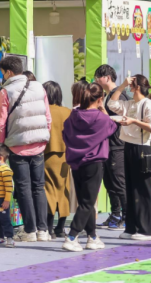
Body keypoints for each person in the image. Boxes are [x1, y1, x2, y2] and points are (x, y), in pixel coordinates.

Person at [0, 56, 51, 242]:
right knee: (39, 187)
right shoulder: (39, 87)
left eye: (3, 73)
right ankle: (43, 230)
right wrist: (44, 136)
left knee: (24, 188)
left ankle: (30, 230)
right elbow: (47, 116)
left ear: (9, 72)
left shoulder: (6, 91)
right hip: (39, 144)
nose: (2, 76)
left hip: (17, 146)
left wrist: (2, 144)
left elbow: (0, 123)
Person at [62, 83, 117, 252]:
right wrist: (103, 110)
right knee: (88, 202)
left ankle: (92, 236)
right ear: (100, 99)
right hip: (94, 162)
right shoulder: (101, 118)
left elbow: (65, 133)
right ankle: (72, 236)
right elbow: (112, 126)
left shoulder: (73, 115)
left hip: (76, 162)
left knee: (85, 201)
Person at [107, 75, 151, 241]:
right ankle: (132, 227)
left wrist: (133, 121)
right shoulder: (130, 103)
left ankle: (146, 229)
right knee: (131, 187)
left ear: (137, 86)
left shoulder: (147, 104)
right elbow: (111, 104)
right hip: (129, 146)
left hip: (143, 147)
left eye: (131, 84)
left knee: (143, 189)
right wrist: (121, 86)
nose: (129, 86)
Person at [94, 65, 128, 230]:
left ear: (107, 77)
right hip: (107, 144)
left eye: (97, 77)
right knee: (109, 181)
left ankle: (127, 216)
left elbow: (123, 119)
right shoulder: (107, 95)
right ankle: (115, 214)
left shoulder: (119, 95)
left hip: (118, 144)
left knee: (119, 182)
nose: (95, 80)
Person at [42, 81, 72, 239]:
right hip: (65, 156)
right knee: (63, 189)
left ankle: (48, 227)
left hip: (46, 154)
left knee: (49, 190)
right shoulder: (67, 112)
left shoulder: (43, 112)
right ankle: (60, 227)